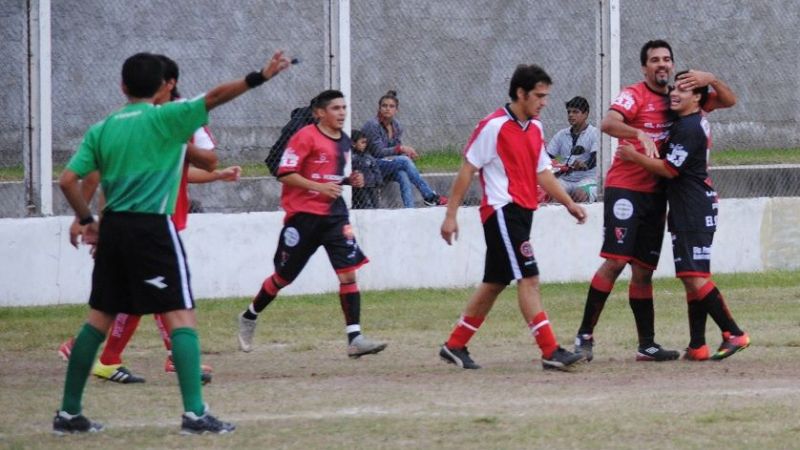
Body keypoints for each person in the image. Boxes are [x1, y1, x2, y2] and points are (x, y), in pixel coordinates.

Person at [54, 50, 292, 435]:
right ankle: (195, 415)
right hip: (151, 229)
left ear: (122, 86)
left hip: (113, 229)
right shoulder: (167, 117)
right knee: (181, 315)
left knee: (97, 320)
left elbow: (68, 180)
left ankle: (68, 414)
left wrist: (86, 220)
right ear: (165, 86)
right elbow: (214, 97)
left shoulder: (103, 128)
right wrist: (259, 76)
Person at [57, 55, 241, 386]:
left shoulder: (183, 118)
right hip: (142, 222)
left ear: (168, 84)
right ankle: (176, 370)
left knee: (137, 296)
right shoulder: (124, 124)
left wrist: (202, 164)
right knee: (162, 297)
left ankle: (97, 365)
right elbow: (95, 173)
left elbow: (207, 161)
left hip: (165, 215)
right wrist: (86, 218)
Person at [572, 40, 737, 362]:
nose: (661, 64)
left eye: (666, 59)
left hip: (659, 193)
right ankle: (584, 336)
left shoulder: (681, 97)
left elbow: (729, 101)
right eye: (654, 60)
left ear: (672, 65)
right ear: (644, 67)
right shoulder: (633, 94)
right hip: (626, 189)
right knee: (616, 261)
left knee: (644, 270)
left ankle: (646, 344)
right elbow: (607, 123)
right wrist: (638, 135)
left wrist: (711, 79)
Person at [438, 64, 588, 371]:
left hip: (523, 212)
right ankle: (550, 350)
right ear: (521, 94)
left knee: (494, 282)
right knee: (529, 278)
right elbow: (468, 170)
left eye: (546, 96)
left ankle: (455, 344)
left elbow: (542, 173)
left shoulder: (535, 127)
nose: (544, 102)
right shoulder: (493, 126)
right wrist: (450, 216)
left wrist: (567, 203)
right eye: (539, 95)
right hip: (501, 212)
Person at [237, 90, 387, 359]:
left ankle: (355, 338)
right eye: (335, 108)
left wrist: (348, 181)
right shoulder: (304, 136)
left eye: (344, 108)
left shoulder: (344, 142)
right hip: (303, 218)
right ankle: (250, 315)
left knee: (348, 273)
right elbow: (285, 173)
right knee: (283, 277)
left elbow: (329, 176)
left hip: (335, 217)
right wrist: (319, 187)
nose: (342, 113)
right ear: (319, 113)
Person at [616, 71, 749, 361]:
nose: (674, 93)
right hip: (690, 206)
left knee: (694, 276)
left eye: (683, 90)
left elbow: (669, 169)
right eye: (674, 88)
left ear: (698, 97)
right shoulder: (690, 120)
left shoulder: (688, 126)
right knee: (693, 277)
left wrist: (634, 156)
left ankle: (733, 332)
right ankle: (698, 345)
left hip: (693, 207)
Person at [361, 90, 447, 208]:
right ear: (379, 108)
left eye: (391, 106)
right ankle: (429, 196)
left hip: (387, 165)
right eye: (384, 106)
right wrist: (401, 149)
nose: (387, 109)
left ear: (396, 110)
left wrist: (405, 154)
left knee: (403, 174)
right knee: (404, 161)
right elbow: (378, 152)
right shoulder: (372, 125)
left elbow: (395, 151)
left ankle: (409, 210)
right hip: (371, 166)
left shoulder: (396, 126)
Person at [546, 96, 599, 202]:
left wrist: (585, 165)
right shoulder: (561, 134)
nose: (570, 115)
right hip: (565, 179)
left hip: (588, 179)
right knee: (551, 193)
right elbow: (547, 156)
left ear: (585, 114)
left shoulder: (594, 133)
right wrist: (557, 166)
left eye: (575, 112)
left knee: (580, 195)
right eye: (569, 112)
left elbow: (596, 158)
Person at [351, 129, 382, 209]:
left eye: (365, 142)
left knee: (376, 203)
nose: (364, 145)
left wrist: (378, 182)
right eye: (362, 142)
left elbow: (375, 170)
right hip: (360, 187)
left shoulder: (368, 157)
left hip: (372, 185)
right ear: (353, 144)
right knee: (365, 203)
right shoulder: (352, 157)